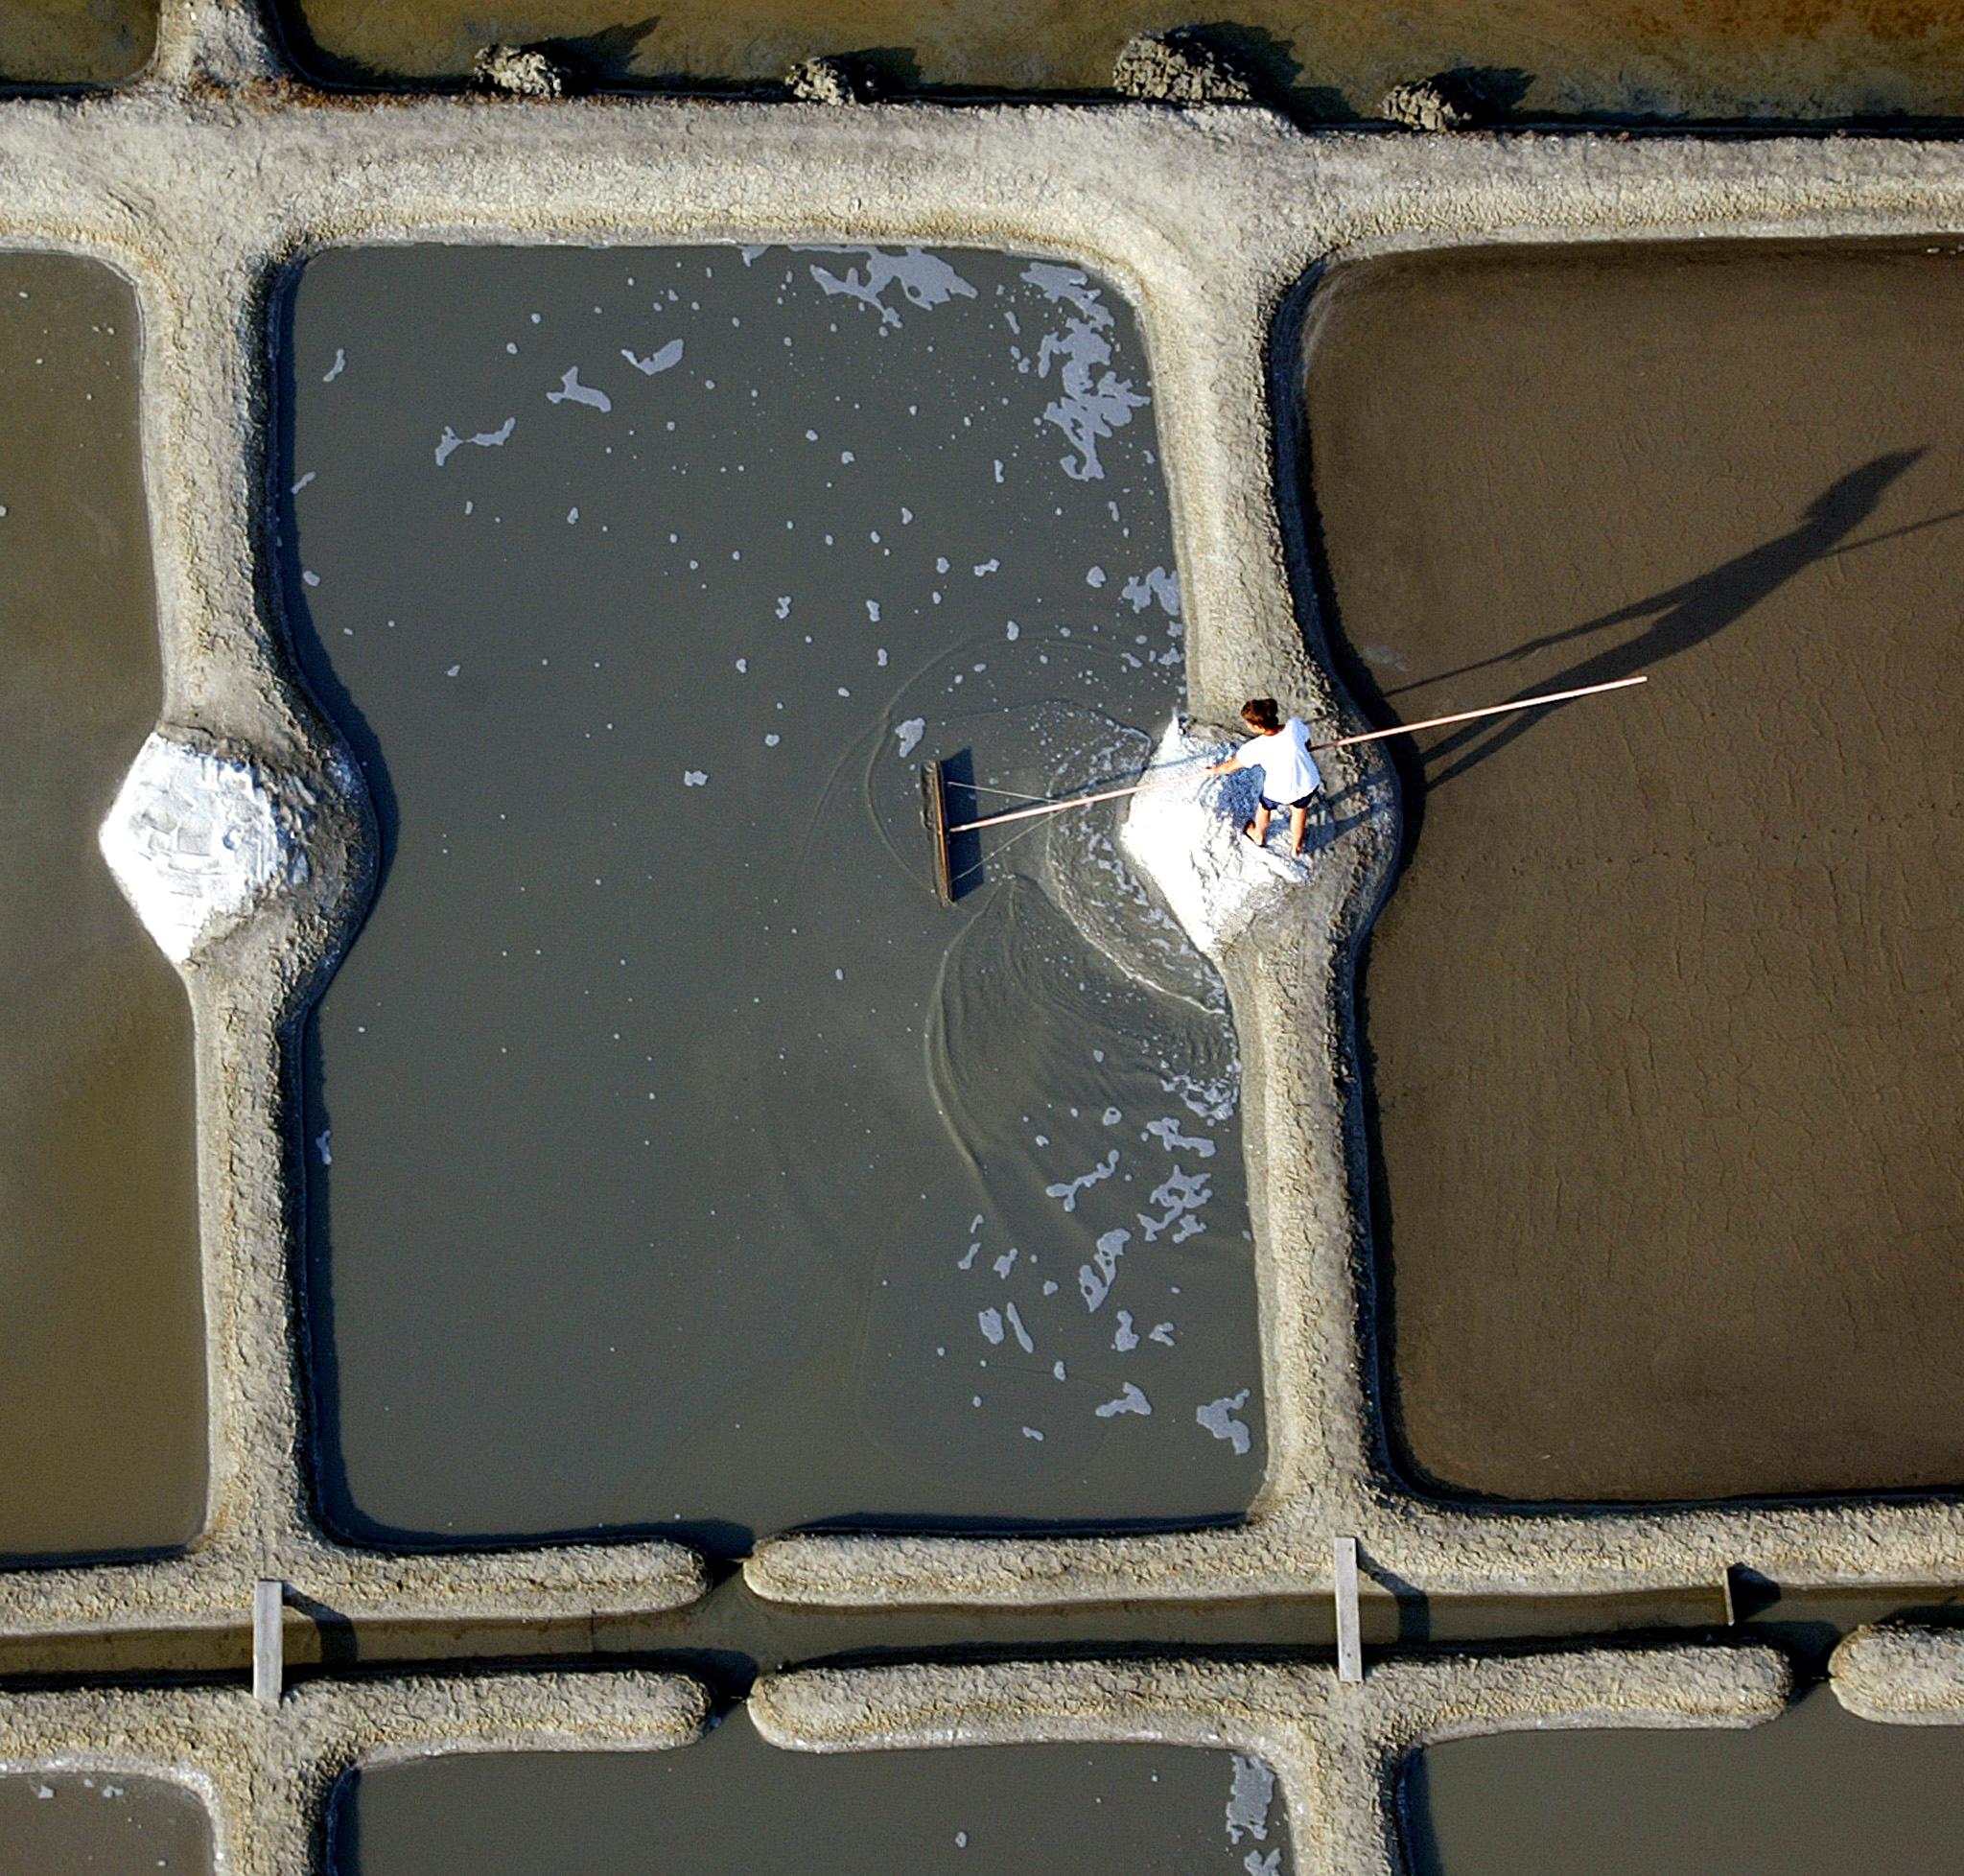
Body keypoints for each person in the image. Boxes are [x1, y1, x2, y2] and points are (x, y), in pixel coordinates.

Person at [1207, 697, 1321, 856]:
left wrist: (1213, 770)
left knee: (1264, 808)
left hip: (1280, 790)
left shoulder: (1255, 747)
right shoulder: (1294, 725)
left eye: (1248, 723)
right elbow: (1307, 745)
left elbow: (1229, 768)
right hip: (1307, 781)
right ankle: (1296, 847)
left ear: (1258, 726)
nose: (1247, 725)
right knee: (1299, 811)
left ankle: (1258, 835)